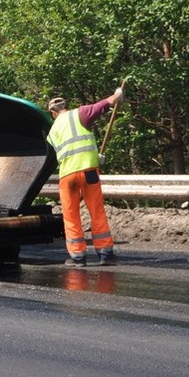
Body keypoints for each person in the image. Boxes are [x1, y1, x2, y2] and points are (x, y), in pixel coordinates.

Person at [47, 88, 124, 266]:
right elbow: (107, 103)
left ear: (52, 113)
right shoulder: (80, 114)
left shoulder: (52, 133)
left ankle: (77, 257)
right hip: (88, 171)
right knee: (96, 211)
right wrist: (119, 94)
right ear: (66, 105)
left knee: (70, 215)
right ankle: (105, 254)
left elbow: (57, 155)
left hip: (67, 176)